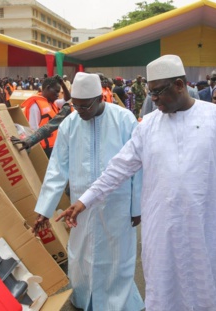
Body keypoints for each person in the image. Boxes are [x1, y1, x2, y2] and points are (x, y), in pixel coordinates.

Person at [57, 55, 216, 310]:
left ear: (180, 85)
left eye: (159, 92)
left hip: (207, 225)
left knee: (209, 284)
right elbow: (118, 168)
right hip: (163, 228)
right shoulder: (148, 125)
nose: (154, 99)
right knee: (164, 285)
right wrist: (84, 201)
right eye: (151, 92)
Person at [33, 72, 144, 311]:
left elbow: (137, 167)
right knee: (82, 255)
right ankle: (85, 299)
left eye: (84, 106)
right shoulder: (70, 124)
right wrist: (44, 209)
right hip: (80, 205)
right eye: (75, 105)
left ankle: (118, 303)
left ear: (98, 99)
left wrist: (137, 207)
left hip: (118, 203)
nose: (79, 111)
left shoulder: (124, 119)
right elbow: (57, 169)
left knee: (117, 257)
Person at [19, 75, 70, 157]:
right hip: (45, 150)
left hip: (54, 146)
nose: (58, 95)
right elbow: (33, 129)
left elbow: (67, 99)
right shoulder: (35, 106)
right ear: (48, 88)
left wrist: (62, 84)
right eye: (56, 91)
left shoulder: (53, 103)